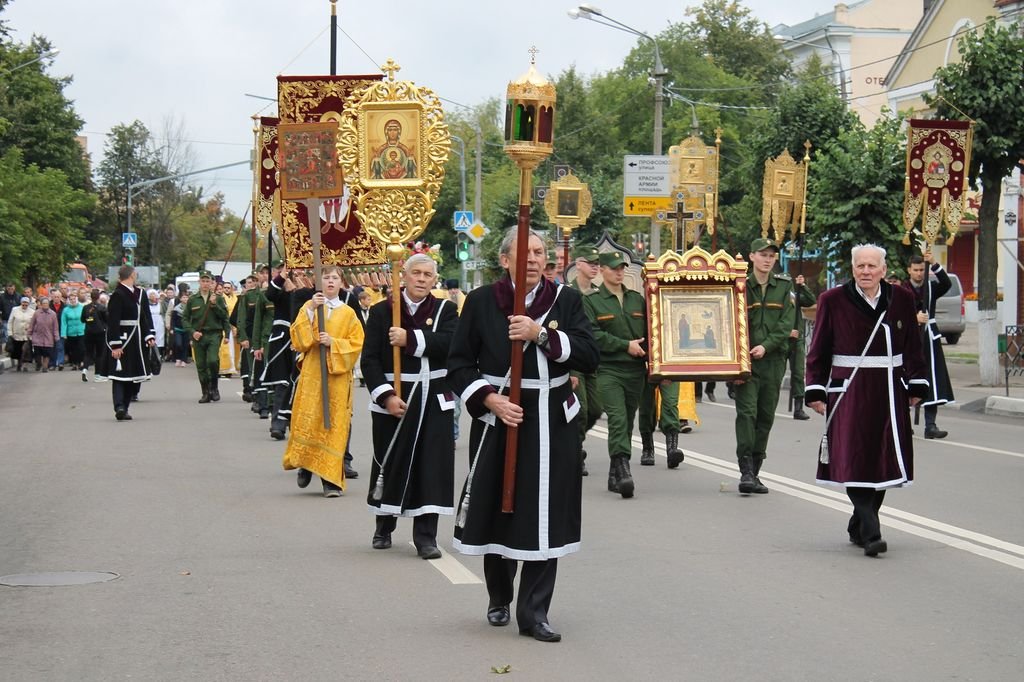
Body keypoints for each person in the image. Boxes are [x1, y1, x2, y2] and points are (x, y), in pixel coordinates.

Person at [448, 227, 599, 642]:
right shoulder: (481, 302)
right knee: (501, 506)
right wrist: (489, 400)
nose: (532, 259)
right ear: (503, 260)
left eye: (538, 252)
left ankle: (534, 614)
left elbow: (590, 354)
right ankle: (499, 596)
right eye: (523, 252)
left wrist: (543, 335)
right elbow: (459, 364)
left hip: (551, 419)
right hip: (502, 417)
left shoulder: (566, 300)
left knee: (545, 513)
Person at [806, 244, 927, 557]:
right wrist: (816, 390)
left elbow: (913, 346)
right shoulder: (831, 300)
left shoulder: (902, 299)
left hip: (890, 389)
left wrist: (916, 384)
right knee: (854, 457)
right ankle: (872, 532)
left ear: (883, 270)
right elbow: (818, 350)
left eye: (872, 266)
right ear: (852, 269)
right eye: (860, 266)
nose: (866, 272)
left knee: (882, 459)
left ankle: (860, 521)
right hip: (849, 390)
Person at [361, 254, 457, 559]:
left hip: (433, 396)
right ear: (403, 275)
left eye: (428, 274)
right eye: (415, 273)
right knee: (391, 460)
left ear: (435, 279)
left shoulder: (446, 309)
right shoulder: (382, 311)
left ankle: (426, 536)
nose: (421, 279)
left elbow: (452, 344)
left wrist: (410, 339)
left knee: (433, 466)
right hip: (396, 396)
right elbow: (370, 359)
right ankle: (384, 524)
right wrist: (386, 396)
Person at [282, 265, 364, 497]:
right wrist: (310, 310)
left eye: (334, 278)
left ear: (341, 283)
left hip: (337, 377)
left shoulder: (348, 312)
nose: (330, 281)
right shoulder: (308, 307)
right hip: (312, 373)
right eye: (326, 277)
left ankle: (331, 481)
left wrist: (334, 342)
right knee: (309, 419)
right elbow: (299, 340)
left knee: (334, 423)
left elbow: (357, 343)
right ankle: (306, 464)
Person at [583, 251, 649, 497]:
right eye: (614, 268)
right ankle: (623, 470)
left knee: (628, 419)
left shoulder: (637, 300)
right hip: (609, 369)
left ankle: (613, 473)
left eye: (622, 267)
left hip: (635, 371)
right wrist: (625, 345)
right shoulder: (591, 301)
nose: (619, 272)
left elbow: (653, 330)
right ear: (602, 270)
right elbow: (592, 334)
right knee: (618, 418)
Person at [732, 238, 794, 495]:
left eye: (772, 255)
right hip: (746, 362)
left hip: (773, 360)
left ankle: (755, 469)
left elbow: (786, 323)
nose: (768, 259)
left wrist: (766, 346)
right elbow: (730, 320)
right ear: (752, 257)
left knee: (765, 417)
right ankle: (745, 469)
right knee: (747, 414)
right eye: (763, 254)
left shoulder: (784, 287)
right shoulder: (739, 286)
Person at [904, 251, 954, 439]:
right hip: (908, 339)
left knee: (931, 379)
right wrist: (913, 317)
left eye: (921, 270)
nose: (918, 273)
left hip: (929, 339)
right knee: (906, 379)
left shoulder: (931, 288)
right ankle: (904, 423)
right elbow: (893, 313)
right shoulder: (902, 289)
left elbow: (947, 284)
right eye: (915, 270)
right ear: (909, 270)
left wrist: (933, 263)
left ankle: (930, 426)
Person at [106, 266, 157, 421]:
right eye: (135, 273)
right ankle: (119, 406)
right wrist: (115, 345)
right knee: (120, 375)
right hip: (123, 338)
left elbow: (144, 317)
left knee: (133, 375)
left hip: (138, 338)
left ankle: (126, 407)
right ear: (131, 275)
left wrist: (149, 335)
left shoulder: (140, 293)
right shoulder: (118, 294)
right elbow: (113, 321)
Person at [568, 244, 602, 477]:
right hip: (574, 360)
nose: (594, 268)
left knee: (596, 409)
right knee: (580, 409)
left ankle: (574, 441)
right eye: (590, 263)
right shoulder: (567, 293)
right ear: (578, 264)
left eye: (597, 264)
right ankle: (575, 451)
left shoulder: (600, 295)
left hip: (594, 359)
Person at [181, 270, 230, 404]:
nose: (205, 284)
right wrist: (192, 332)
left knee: (213, 361)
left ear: (212, 283)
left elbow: (224, 317)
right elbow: (185, 319)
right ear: (199, 282)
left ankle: (214, 387)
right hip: (198, 336)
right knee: (201, 365)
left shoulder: (218, 298)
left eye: (208, 281)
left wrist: (214, 305)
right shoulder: (192, 299)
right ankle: (205, 392)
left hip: (214, 333)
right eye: (203, 281)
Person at [787, 274, 817, 420]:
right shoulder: (774, 297)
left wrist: (803, 286)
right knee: (775, 374)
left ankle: (798, 408)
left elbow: (811, 300)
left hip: (796, 339)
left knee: (798, 373)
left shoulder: (793, 296)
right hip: (780, 339)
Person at [81, 289, 109, 381]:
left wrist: (89, 321)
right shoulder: (102, 307)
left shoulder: (85, 307)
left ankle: (84, 370)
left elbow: (82, 319)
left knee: (88, 352)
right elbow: (107, 319)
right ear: (98, 297)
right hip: (100, 333)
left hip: (88, 332)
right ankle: (98, 374)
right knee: (99, 353)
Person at [60, 290, 87, 379]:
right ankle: (75, 364)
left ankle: (82, 362)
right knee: (73, 349)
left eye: (74, 299)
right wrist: (63, 333)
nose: (73, 300)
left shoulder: (82, 307)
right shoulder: (66, 310)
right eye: (71, 299)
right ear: (69, 300)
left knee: (82, 347)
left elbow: (86, 318)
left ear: (77, 299)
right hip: (71, 332)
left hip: (81, 330)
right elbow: (63, 322)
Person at [28, 298, 59, 372]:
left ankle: (45, 367)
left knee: (47, 354)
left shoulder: (53, 314)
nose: (45, 305)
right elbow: (32, 324)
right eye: (43, 303)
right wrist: (29, 333)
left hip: (48, 337)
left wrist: (56, 336)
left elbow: (55, 327)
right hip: (37, 336)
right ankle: (40, 364)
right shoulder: (37, 313)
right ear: (41, 305)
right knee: (38, 353)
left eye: (46, 303)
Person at [7, 297, 34, 371]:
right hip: (17, 334)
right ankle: (19, 364)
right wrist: (10, 332)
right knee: (18, 351)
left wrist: (30, 330)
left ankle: (25, 365)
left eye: (26, 303)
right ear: (21, 303)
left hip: (27, 335)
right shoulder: (15, 310)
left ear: (28, 304)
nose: (24, 304)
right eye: (23, 302)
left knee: (26, 350)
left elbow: (33, 323)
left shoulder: (32, 312)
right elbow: (10, 322)